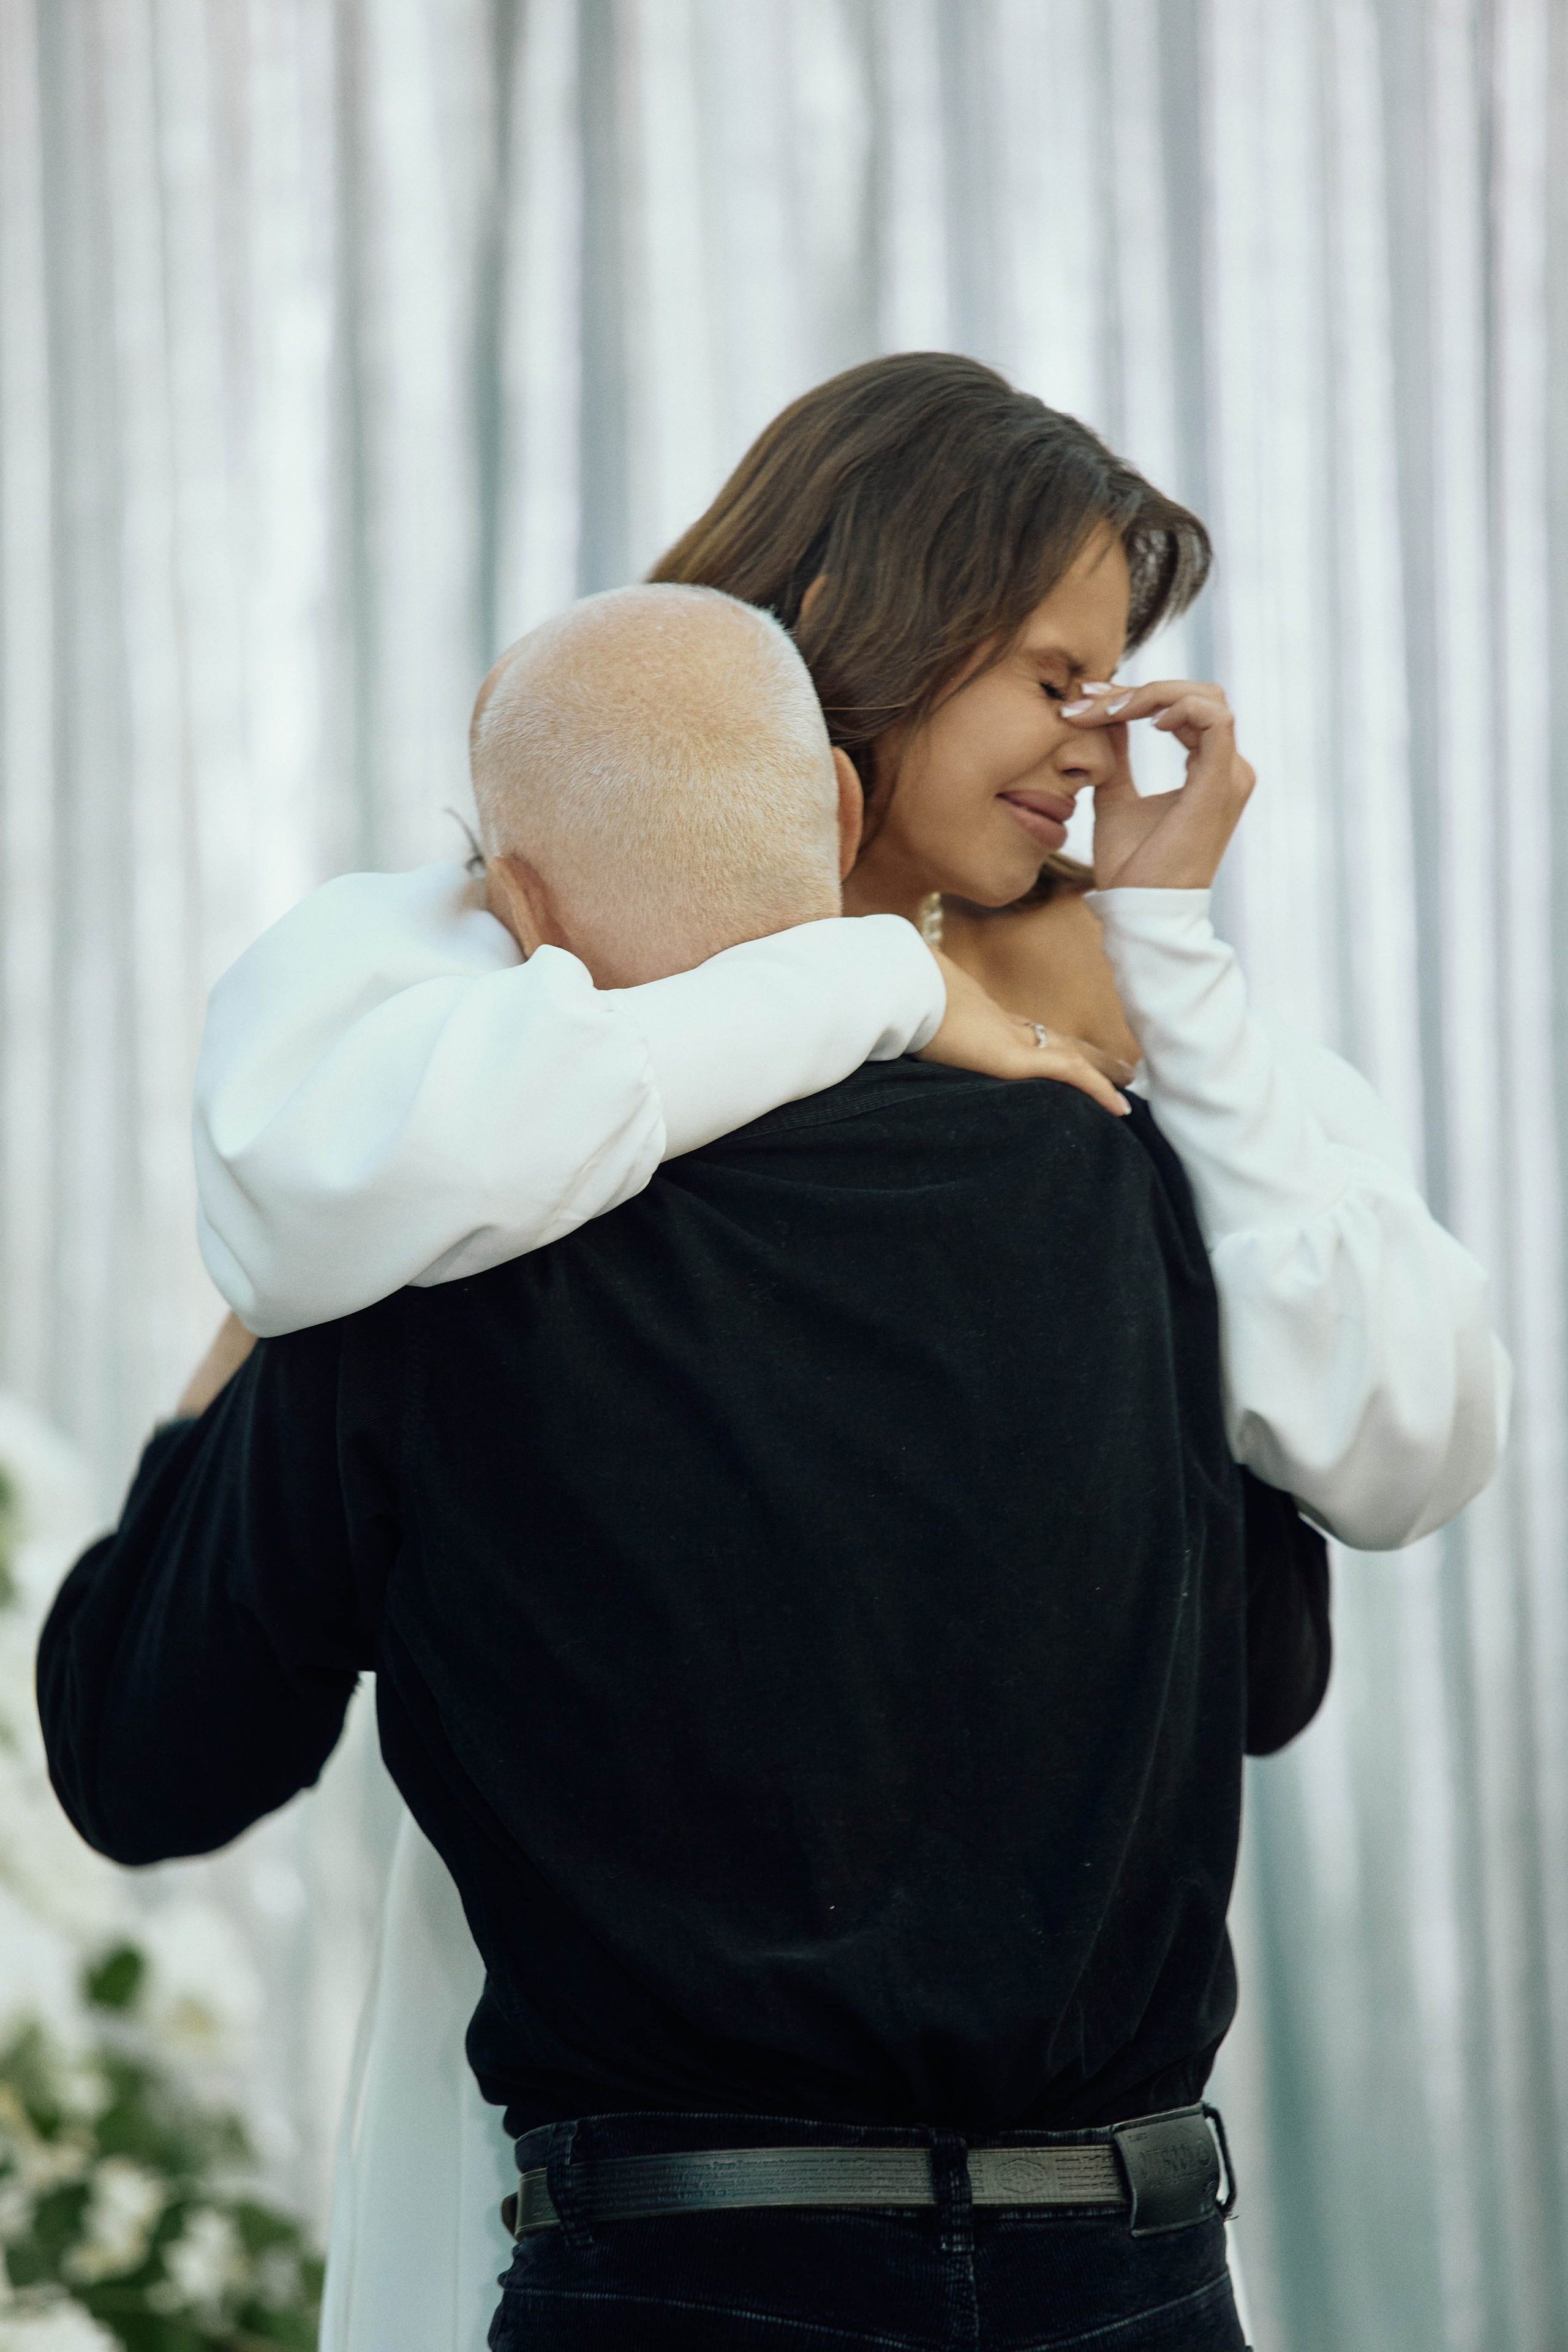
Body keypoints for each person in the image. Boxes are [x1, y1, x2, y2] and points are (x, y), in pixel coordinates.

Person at [181, 358, 1507, 2348]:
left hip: (1085, 2198)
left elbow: (1406, 1436)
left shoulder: (1139, 1020)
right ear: (877, 626)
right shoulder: (494, 940)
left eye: (1119, 678)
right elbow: (308, 1196)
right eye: (1053, 674)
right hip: (649, 2153)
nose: (1098, 740)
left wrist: (1179, 959)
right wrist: (870, 981)